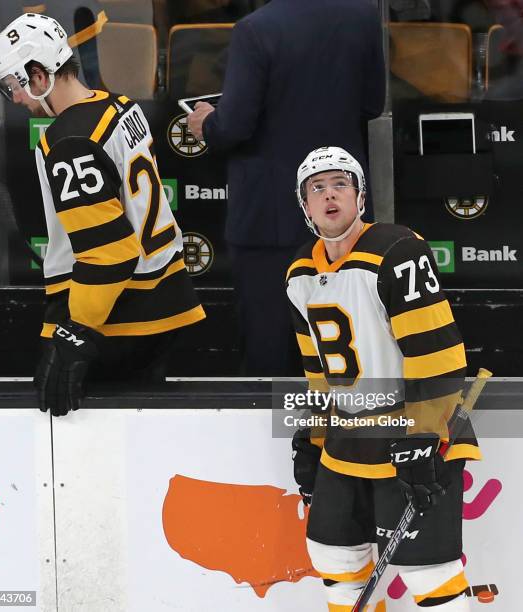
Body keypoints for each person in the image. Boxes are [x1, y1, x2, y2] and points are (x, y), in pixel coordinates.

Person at [286, 147, 481, 610]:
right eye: (317, 188)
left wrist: (425, 436)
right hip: (347, 438)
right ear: (304, 204)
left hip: (414, 435)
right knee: (333, 558)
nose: (330, 195)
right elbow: (317, 372)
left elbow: (436, 353)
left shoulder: (397, 250)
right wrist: (313, 437)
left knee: (429, 572)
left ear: (360, 197)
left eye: (340, 185)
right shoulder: (299, 273)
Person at [0, 13, 205, 416]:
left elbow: (109, 252)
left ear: (38, 74)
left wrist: (75, 331)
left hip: (115, 321)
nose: (16, 99)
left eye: (14, 85)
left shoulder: (67, 139)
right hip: (164, 309)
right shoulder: (121, 106)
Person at [187, 0, 385, 376]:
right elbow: (372, 104)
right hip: (342, 217)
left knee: (271, 353)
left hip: (270, 221)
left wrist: (207, 123)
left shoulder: (256, 29)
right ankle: (338, 432)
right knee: (344, 350)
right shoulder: (363, 16)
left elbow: (234, 126)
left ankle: (278, 436)